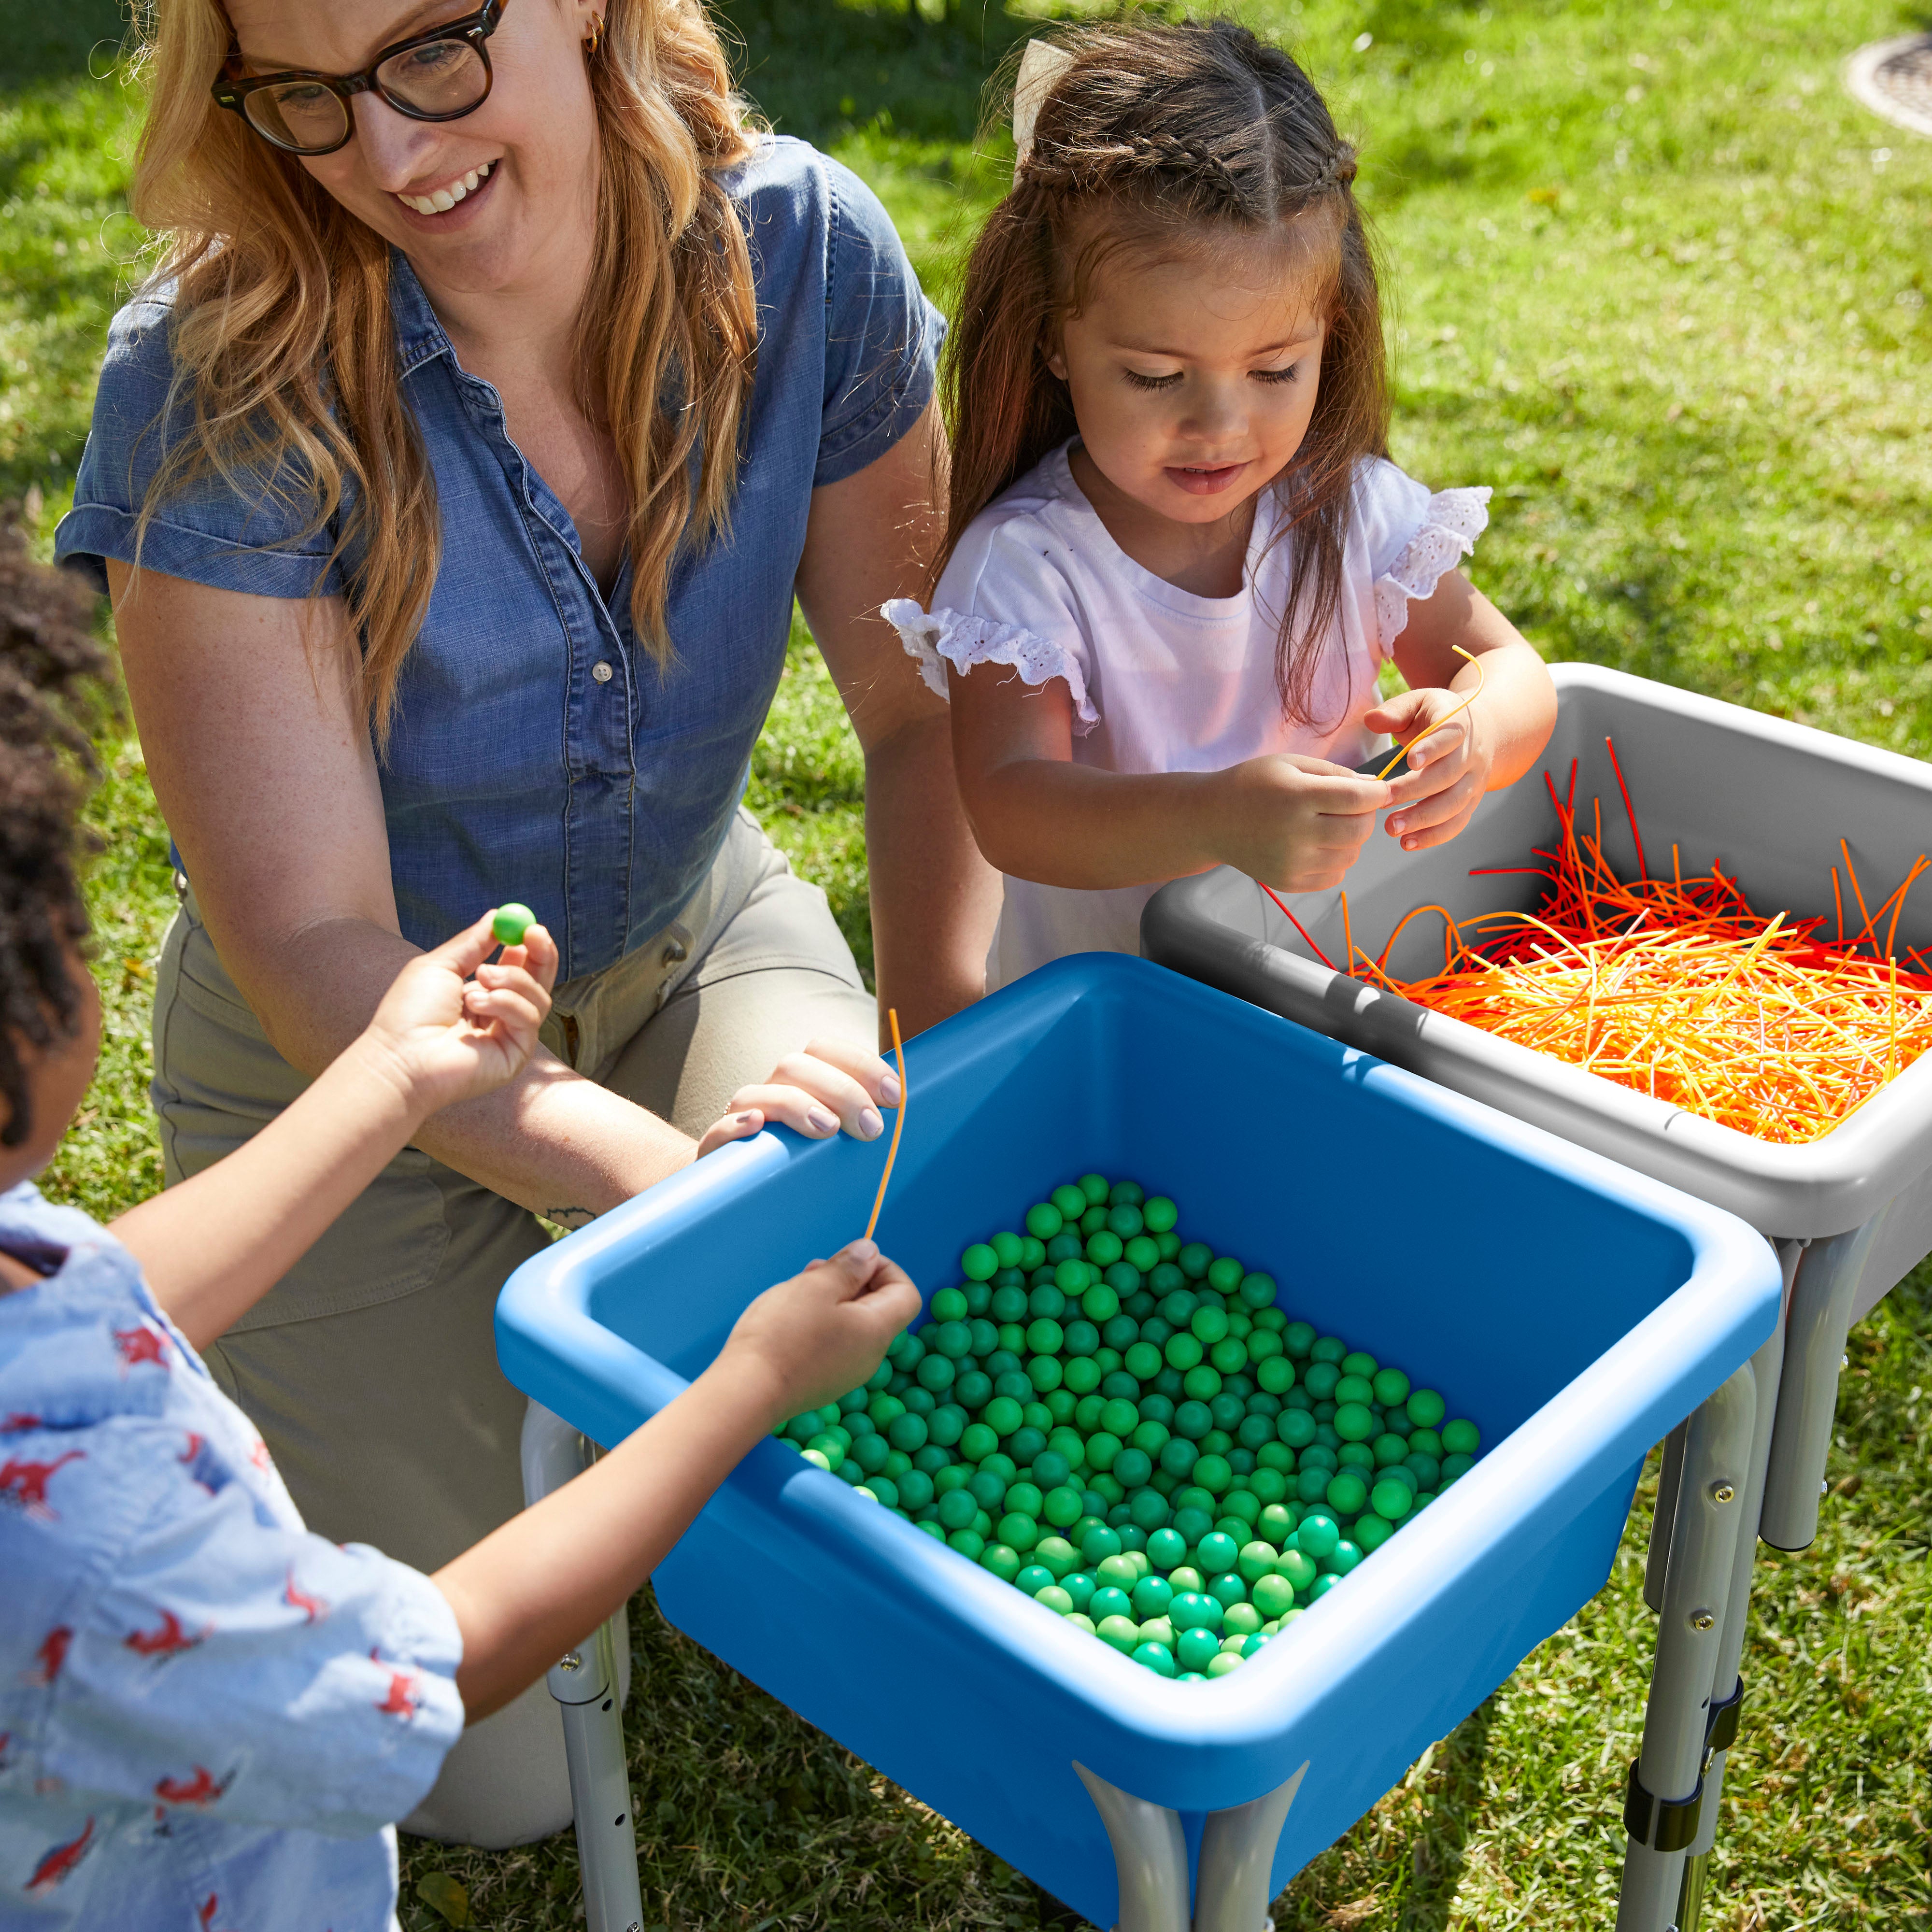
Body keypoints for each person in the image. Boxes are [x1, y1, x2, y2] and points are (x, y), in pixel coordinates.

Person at [54, 0, 997, 1841]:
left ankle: (613, 1383)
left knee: (883, 1348)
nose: (393, 155)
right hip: (347, 1074)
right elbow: (322, 945)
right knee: (491, 1787)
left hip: (685, 945)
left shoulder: (806, 253)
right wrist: (669, 1183)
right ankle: (447, 1376)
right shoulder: (211, 374)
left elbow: (920, 713)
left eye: (433, 53)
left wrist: (941, 1051)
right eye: (307, 100)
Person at [0, 519, 923, 1927]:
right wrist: (748, 1385)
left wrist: (385, 1073)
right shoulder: (104, 1542)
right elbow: (429, 1659)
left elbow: (101, 1296)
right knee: (509, 1771)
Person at [885, 20, 1557, 990]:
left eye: (1274, 368)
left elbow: (1508, 667)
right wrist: (1212, 816)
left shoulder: (1348, 512)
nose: (1219, 423)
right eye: (1156, 376)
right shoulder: (1029, 565)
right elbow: (1011, 806)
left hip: (1333, 992)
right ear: (1053, 342)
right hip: (1122, 1027)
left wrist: (1475, 731)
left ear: (1330, 334)